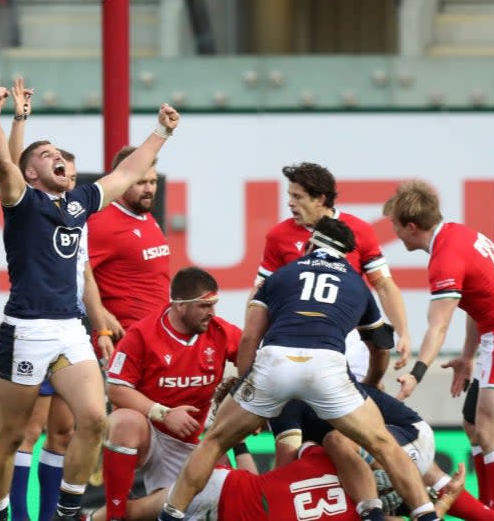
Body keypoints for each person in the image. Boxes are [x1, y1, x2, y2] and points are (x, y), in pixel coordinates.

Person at [0, 80, 180, 521]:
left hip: (70, 328)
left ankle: (68, 508)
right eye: (44, 154)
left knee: (92, 419)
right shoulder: (22, 202)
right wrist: (0, 117)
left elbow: (127, 173)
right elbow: (1, 161)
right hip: (27, 329)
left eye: (58, 153)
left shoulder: (78, 203)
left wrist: (162, 132)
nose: (55, 156)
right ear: (29, 172)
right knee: (12, 435)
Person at [160, 217, 440, 521]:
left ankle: (170, 515)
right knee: (383, 444)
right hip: (327, 368)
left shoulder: (280, 276)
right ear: (346, 255)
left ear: (308, 246)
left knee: (214, 441)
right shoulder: (356, 284)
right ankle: (427, 515)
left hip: (275, 362)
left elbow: (251, 337)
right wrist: (371, 382)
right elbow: (380, 345)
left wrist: (244, 388)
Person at [385, 180, 494, 513]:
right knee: (473, 426)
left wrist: (416, 373)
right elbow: (478, 301)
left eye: (396, 227)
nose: (395, 235)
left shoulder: (445, 258)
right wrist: (468, 356)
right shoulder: (459, 233)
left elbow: (438, 326)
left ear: (412, 226)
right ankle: (490, 508)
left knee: (491, 431)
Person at [101, 266, 241, 521]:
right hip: (151, 434)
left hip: (191, 439)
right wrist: (163, 414)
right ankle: (115, 514)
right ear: (179, 305)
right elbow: (116, 389)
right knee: (124, 421)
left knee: (229, 493)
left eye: (214, 304)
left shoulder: (220, 332)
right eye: (204, 306)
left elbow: (254, 357)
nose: (212, 313)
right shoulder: (142, 334)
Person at [253, 162, 411, 383]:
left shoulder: (360, 230)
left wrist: (403, 332)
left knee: (356, 406)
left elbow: (384, 285)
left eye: (298, 197)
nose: (290, 203)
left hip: (346, 338)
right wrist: (253, 341)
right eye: (290, 195)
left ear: (321, 199)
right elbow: (259, 294)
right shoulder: (278, 236)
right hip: (294, 340)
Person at [271, 384, 494, 520]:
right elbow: (381, 348)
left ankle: (374, 512)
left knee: (334, 444)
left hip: (406, 439)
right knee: (336, 456)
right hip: (411, 437)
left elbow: (282, 475)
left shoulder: (283, 405)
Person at [85, 443, 467, 521]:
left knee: (135, 511)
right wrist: (443, 500)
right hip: (229, 493)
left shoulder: (326, 455)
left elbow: (335, 442)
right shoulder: (366, 518)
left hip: (228, 490)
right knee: (136, 511)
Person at [87, 145, 170, 339]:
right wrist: (103, 317)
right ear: (122, 181)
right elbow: (72, 274)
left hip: (154, 336)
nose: (149, 189)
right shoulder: (102, 222)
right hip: (123, 339)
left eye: (153, 181)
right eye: (140, 182)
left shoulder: (145, 215)